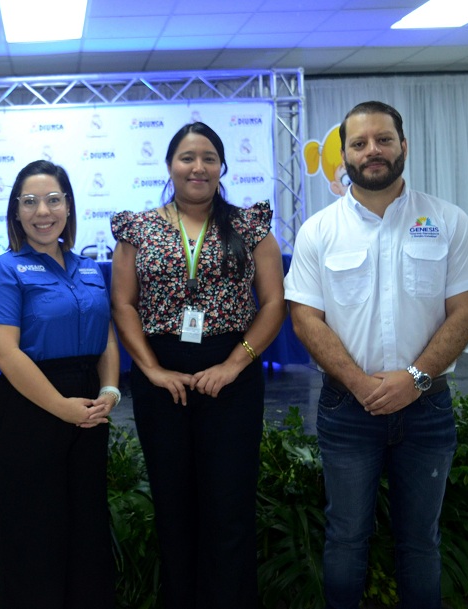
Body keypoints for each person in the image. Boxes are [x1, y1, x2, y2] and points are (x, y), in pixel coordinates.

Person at [285, 101, 468, 609]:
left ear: (403, 146)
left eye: (383, 139)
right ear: (346, 154)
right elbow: (305, 318)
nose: (372, 151)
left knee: (422, 543)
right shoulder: (318, 230)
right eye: (359, 143)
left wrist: (414, 379)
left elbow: (467, 310)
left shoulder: (448, 220)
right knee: (346, 540)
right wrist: (359, 383)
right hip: (346, 410)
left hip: (428, 409)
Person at [111, 122, 286, 608]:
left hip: (232, 371)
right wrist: (151, 369)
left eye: (209, 157)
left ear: (222, 167)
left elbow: (273, 303)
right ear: (170, 165)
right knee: (173, 505)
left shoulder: (250, 225)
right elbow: (124, 304)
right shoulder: (137, 228)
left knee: (229, 507)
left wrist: (233, 365)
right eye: (187, 157)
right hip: (161, 375)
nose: (198, 167)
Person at [0, 160, 119, 609]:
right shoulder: (4, 270)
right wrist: (62, 408)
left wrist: (110, 391)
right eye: (31, 201)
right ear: (16, 212)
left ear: (68, 206)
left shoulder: (91, 267)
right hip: (28, 411)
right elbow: (5, 353)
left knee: (87, 533)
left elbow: (106, 335)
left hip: (90, 412)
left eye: (54, 199)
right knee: (34, 538)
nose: (44, 211)